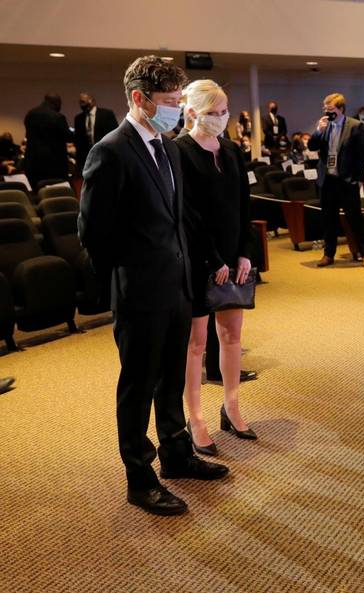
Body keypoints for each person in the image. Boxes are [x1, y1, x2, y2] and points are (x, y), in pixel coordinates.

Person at [78, 55, 228, 517]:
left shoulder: (168, 147)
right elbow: (92, 232)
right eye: (168, 100)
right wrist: (128, 277)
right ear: (139, 98)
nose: (175, 109)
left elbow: (178, 219)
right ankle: (139, 477)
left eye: (179, 100)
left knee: (170, 378)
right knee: (138, 385)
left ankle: (177, 454)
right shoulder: (111, 150)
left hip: (177, 285)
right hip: (140, 291)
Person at [174, 79, 257, 458]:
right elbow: (188, 214)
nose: (221, 118)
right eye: (213, 112)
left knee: (232, 336)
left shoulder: (232, 150)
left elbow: (244, 206)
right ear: (192, 112)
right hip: (199, 259)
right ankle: (195, 418)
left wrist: (244, 253)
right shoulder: (180, 151)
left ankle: (232, 406)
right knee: (196, 344)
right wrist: (214, 259)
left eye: (225, 111)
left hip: (233, 258)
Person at [307, 92, 364, 270]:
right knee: (329, 219)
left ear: (341, 109)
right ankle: (328, 254)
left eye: (331, 109)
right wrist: (318, 131)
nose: (327, 113)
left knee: (355, 219)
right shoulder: (324, 126)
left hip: (347, 181)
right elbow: (312, 146)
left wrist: (358, 179)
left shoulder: (355, 126)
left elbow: (363, 155)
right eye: (325, 109)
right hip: (328, 180)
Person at [23, 93, 73, 187]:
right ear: (56, 102)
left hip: (32, 162)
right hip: (53, 164)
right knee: (56, 191)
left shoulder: (30, 114)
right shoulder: (58, 117)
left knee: (36, 190)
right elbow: (68, 137)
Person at [73, 93, 118, 175]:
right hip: (87, 160)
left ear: (92, 101)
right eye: (80, 102)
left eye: (83, 102)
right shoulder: (78, 118)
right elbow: (78, 141)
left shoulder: (107, 114)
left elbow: (115, 135)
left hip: (105, 157)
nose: (81, 105)